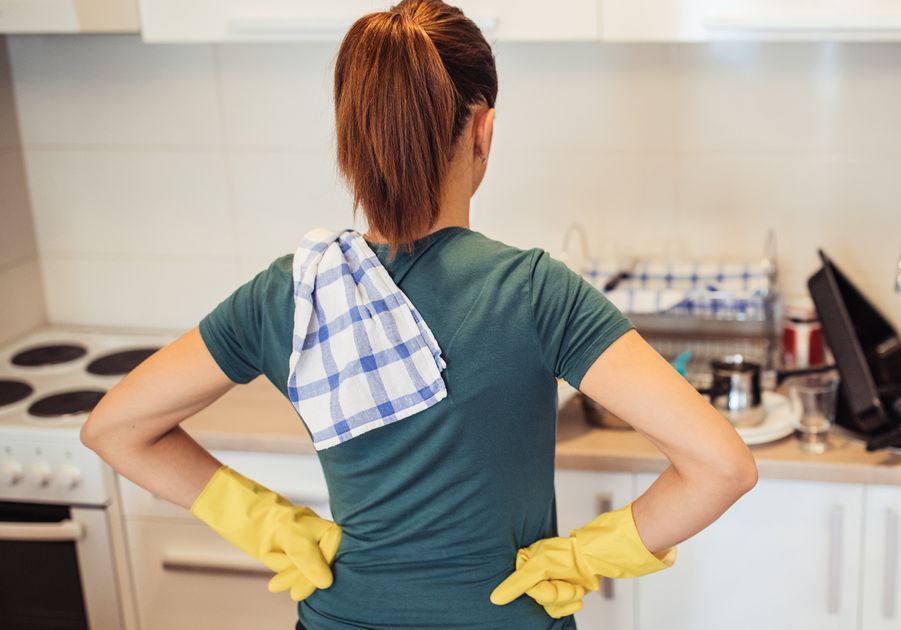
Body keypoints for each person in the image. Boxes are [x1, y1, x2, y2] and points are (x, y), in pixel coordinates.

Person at [80, 0, 758, 628]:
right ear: (482, 130)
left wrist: (266, 523)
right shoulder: (533, 292)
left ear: (354, 138)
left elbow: (117, 428)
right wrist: (586, 556)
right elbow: (721, 466)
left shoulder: (293, 292)